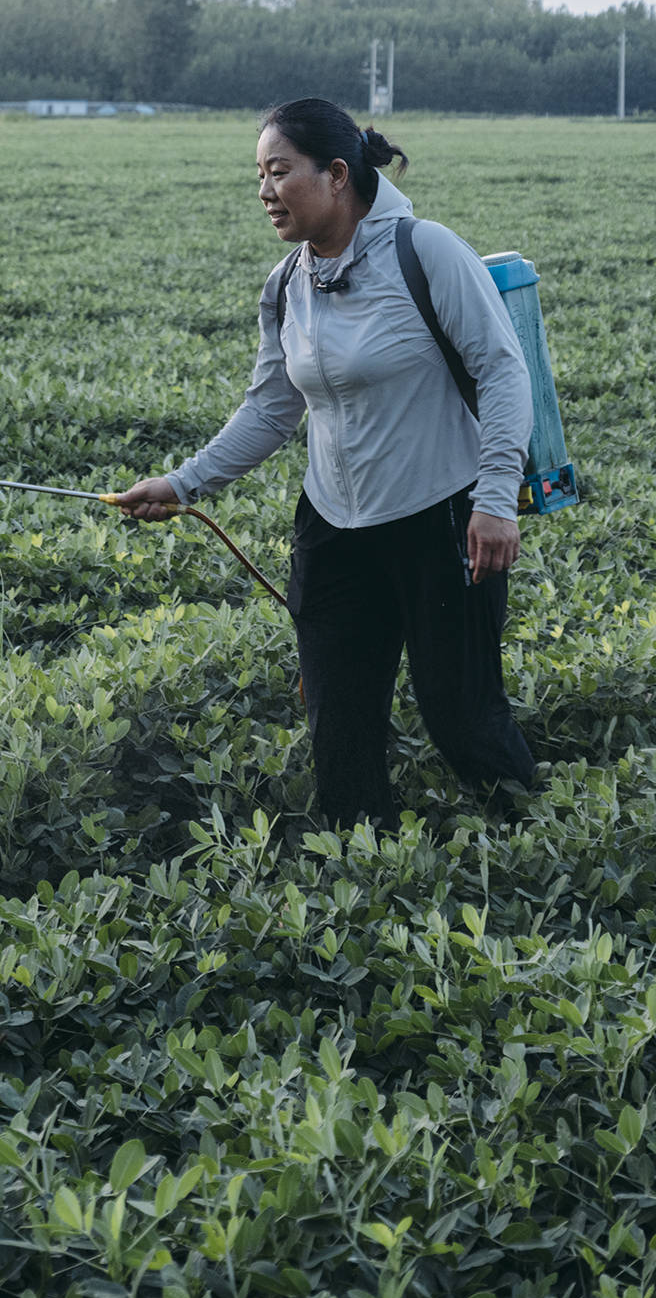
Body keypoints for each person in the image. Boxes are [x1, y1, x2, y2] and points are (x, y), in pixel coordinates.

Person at [110, 98, 541, 828]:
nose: (264, 191)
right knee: (338, 723)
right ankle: (363, 876)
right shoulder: (286, 285)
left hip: (441, 520)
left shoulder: (425, 251)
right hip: (334, 531)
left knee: (461, 716)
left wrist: (495, 500)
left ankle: (539, 837)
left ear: (337, 175)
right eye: (258, 175)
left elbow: (503, 372)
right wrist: (182, 484)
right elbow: (271, 410)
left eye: (280, 172)